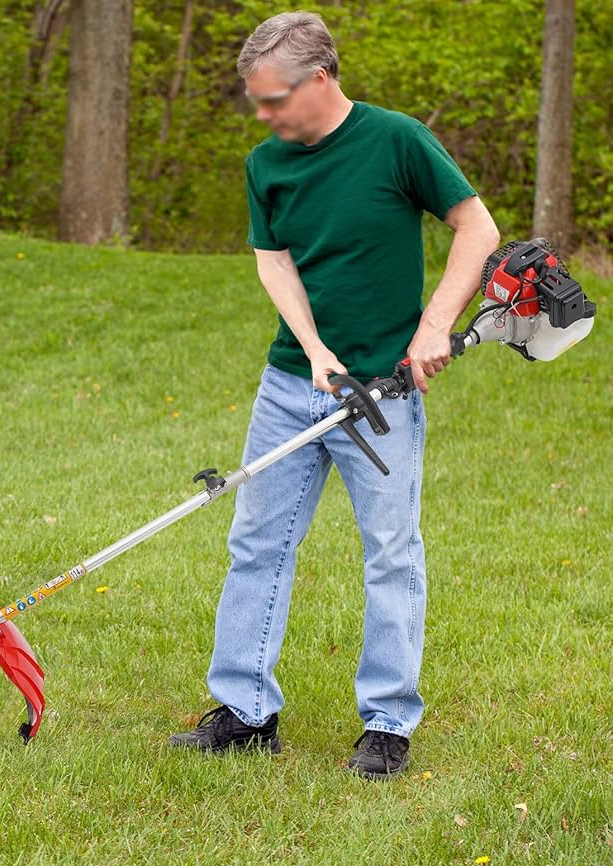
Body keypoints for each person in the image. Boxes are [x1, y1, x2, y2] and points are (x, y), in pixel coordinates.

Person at [168, 11, 499, 778]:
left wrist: (434, 325)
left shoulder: (397, 141)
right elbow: (273, 259)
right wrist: (314, 351)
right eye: (256, 101)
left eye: (274, 98)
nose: (263, 114)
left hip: (383, 394)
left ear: (320, 79)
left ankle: (388, 725)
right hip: (291, 383)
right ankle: (247, 713)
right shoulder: (266, 162)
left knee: (389, 553)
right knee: (256, 544)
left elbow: (475, 229)